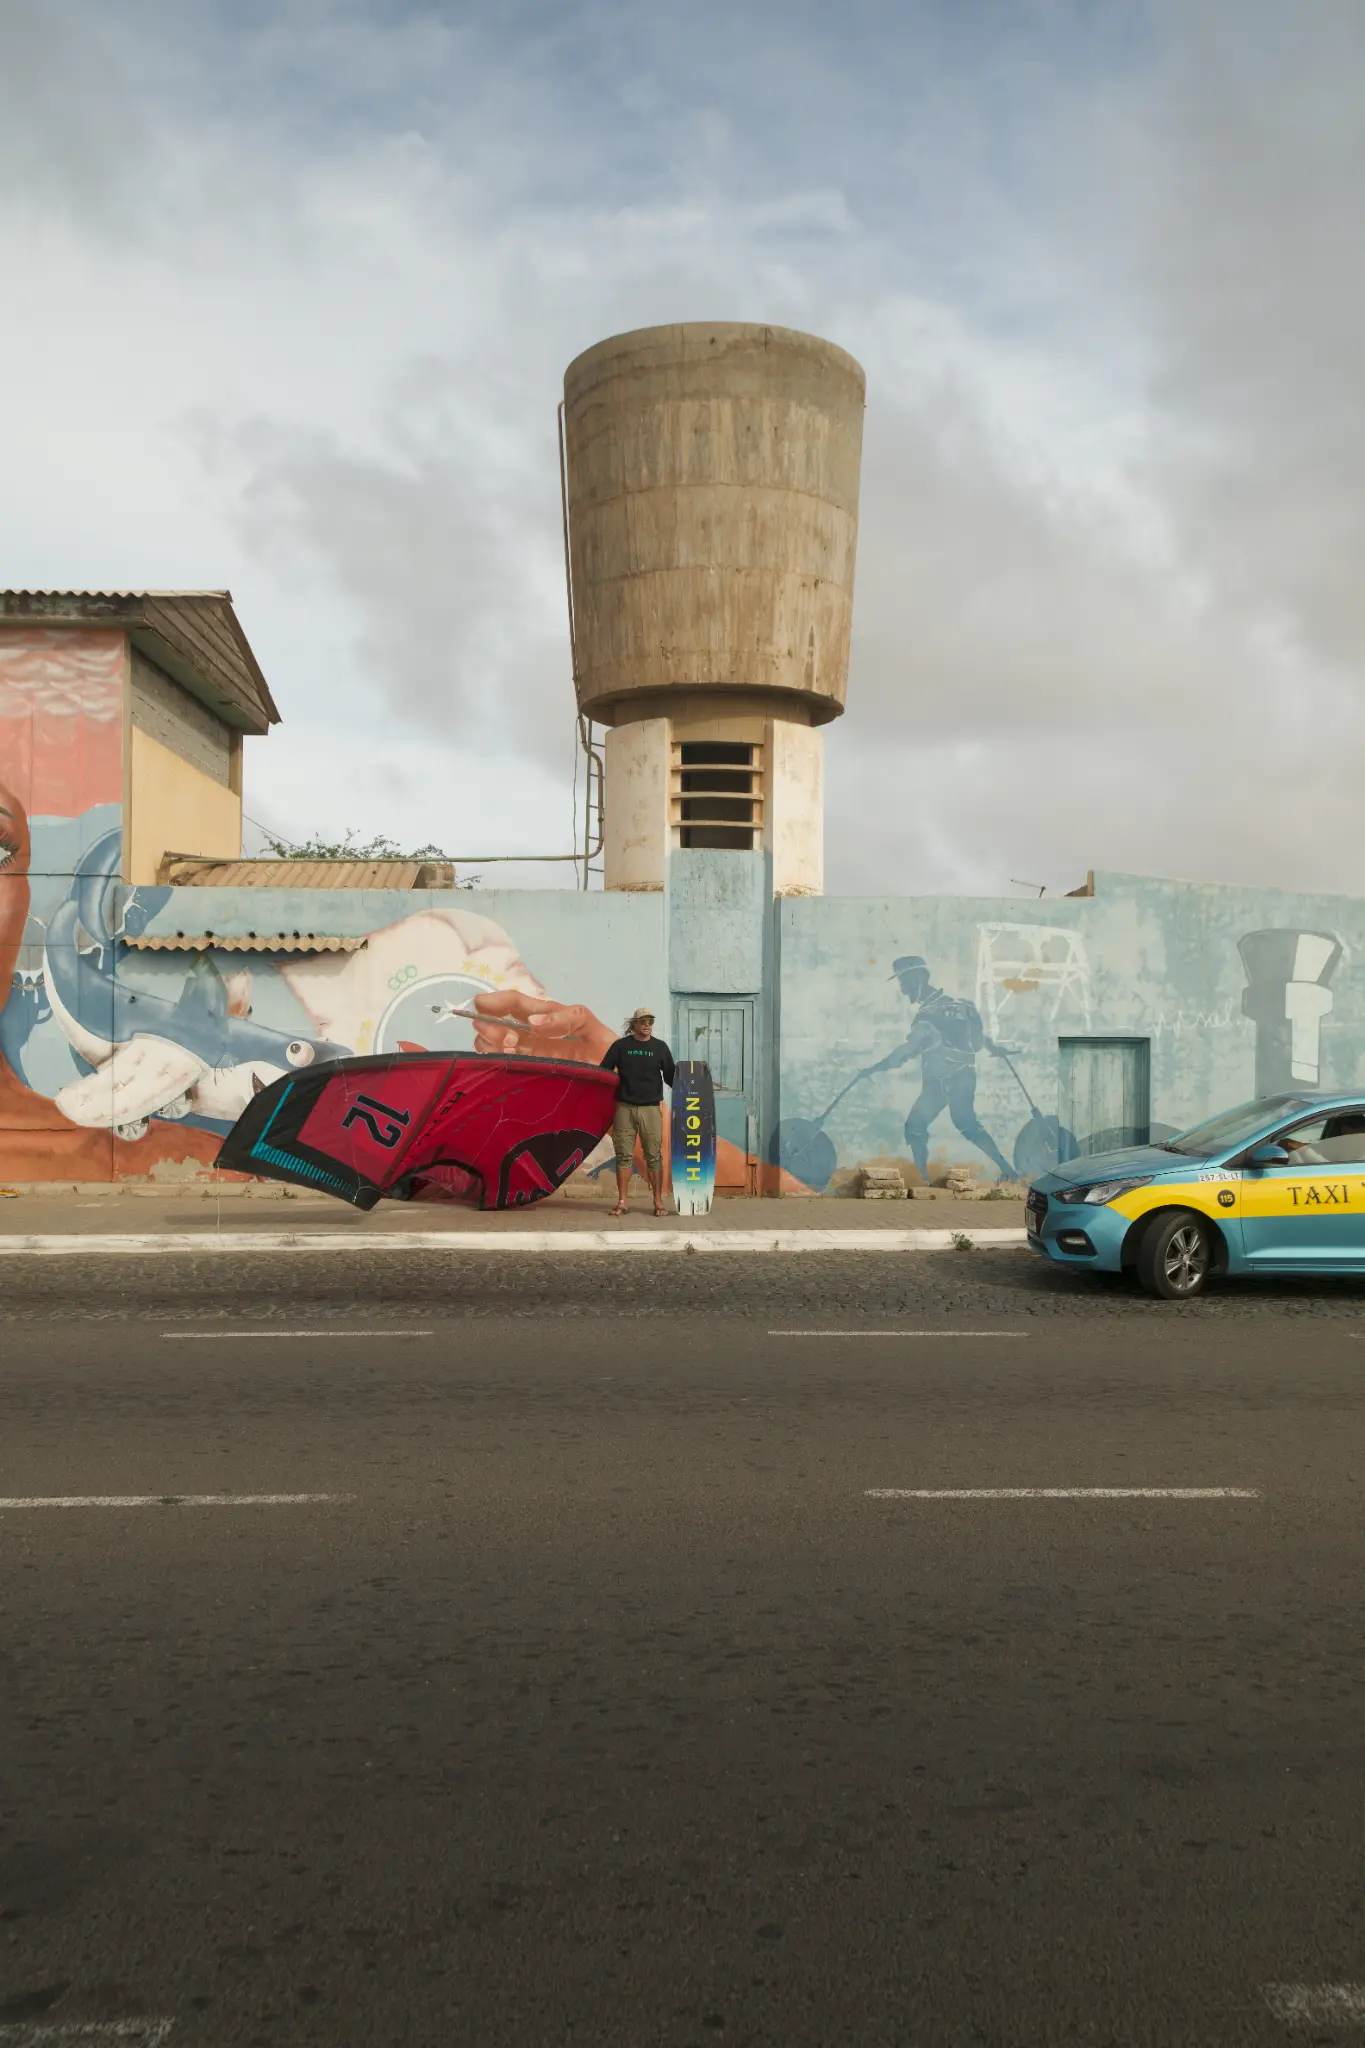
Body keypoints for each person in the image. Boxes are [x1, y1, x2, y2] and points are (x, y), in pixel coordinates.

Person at [862, 954, 1015, 1183]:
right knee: (938, 1125)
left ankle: (925, 1180)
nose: (903, 989)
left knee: (946, 1124)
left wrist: (875, 1068)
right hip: (959, 1076)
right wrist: (994, 1048)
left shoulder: (928, 1015)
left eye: (904, 981)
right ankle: (1006, 1171)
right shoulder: (957, 1005)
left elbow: (906, 1051)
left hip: (943, 1080)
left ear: (918, 979)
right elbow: (978, 1037)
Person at [600, 1006, 675, 1216]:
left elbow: (672, 1076)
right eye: (643, 1021)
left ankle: (658, 1202)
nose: (647, 1025)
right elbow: (604, 1071)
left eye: (650, 1021)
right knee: (624, 1156)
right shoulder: (621, 1046)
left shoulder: (660, 1047)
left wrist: (694, 1081)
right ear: (634, 1023)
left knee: (654, 1156)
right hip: (624, 1108)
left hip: (651, 1109)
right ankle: (622, 1202)